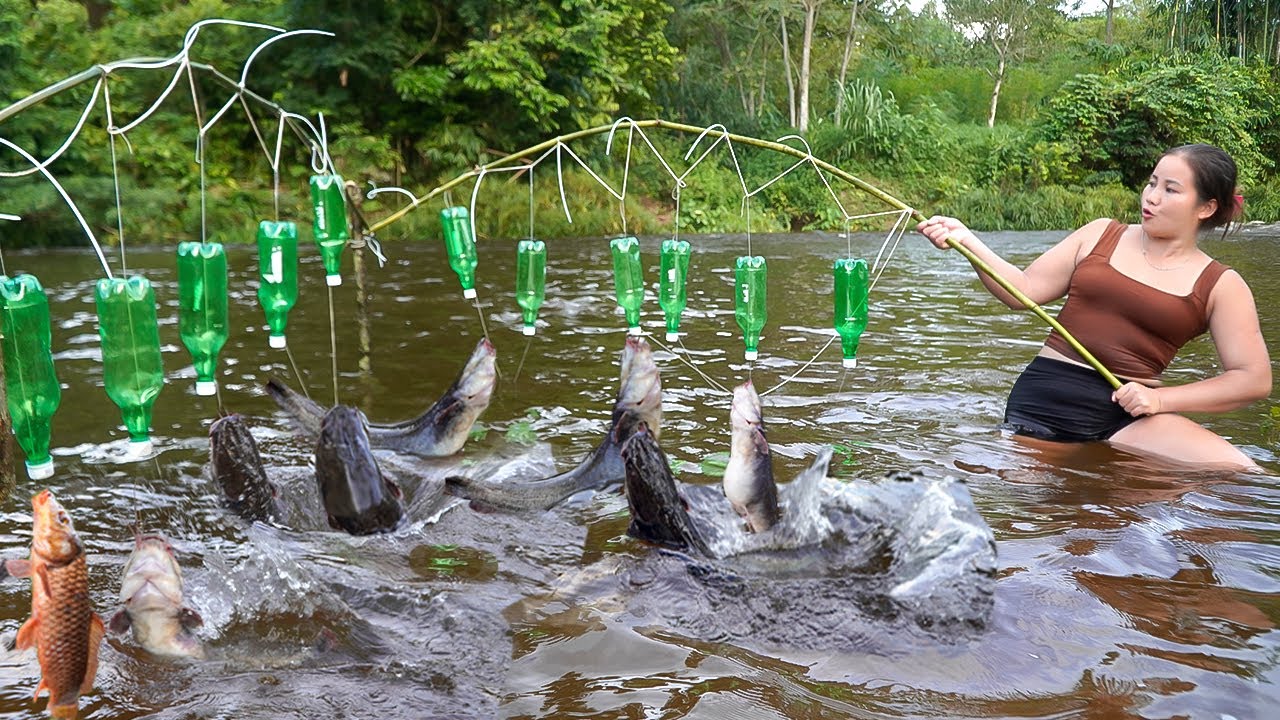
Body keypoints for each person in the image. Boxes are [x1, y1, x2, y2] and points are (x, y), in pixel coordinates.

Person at [916, 143, 1272, 471]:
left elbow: (1252, 380)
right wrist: (967, 241)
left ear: (1206, 207)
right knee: (1052, 521)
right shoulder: (1101, 234)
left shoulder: (1222, 284)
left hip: (1131, 415)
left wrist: (1160, 400)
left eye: (1170, 189)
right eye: (1151, 183)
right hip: (1046, 404)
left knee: (1242, 476)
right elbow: (1020, 291)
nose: (1151, 197)